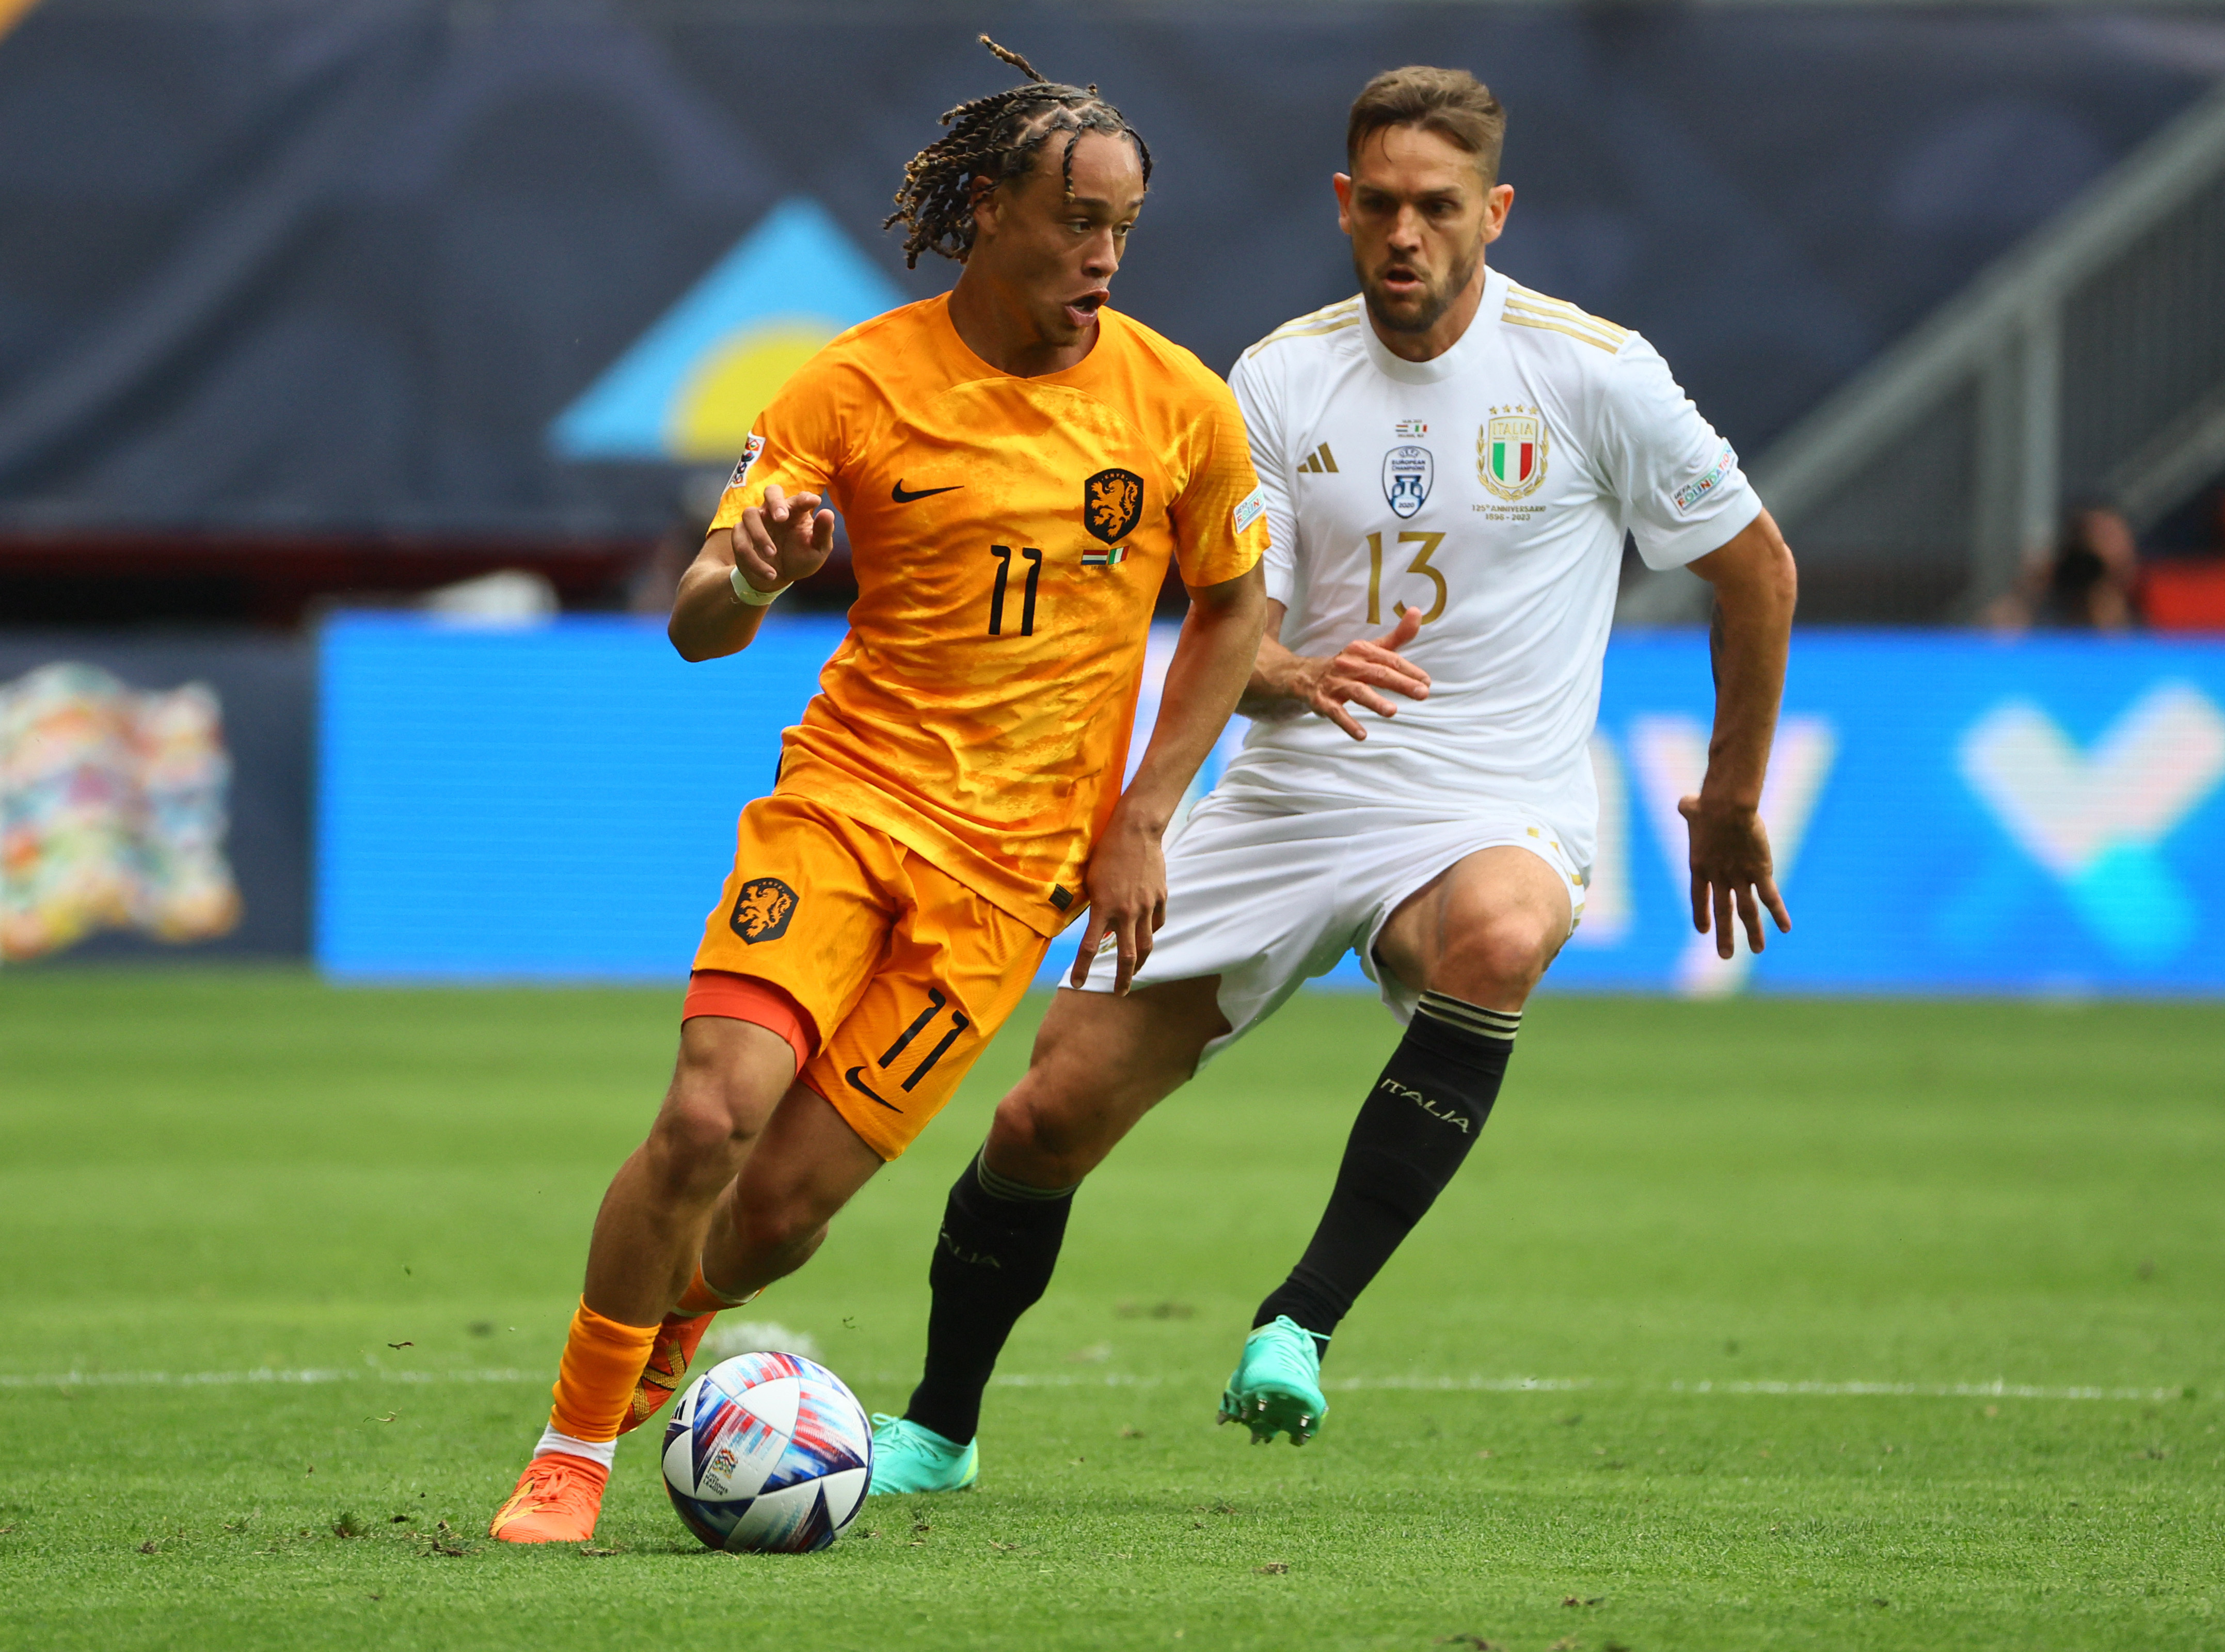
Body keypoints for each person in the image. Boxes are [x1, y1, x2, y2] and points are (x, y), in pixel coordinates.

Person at [862, 63, 1799, 1492]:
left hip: (1492, 797)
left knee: (1494, 934)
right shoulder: (1279, 378)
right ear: (1344, 206)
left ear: (1494, 210)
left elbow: (1757, 569)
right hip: (1290, 798)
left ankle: (1297, 1322)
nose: (1405, 236)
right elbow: (1235, 627)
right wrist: (1277, 690)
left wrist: (1731, 796)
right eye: (1381, 206)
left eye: (1438, 207)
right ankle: (938, 1426)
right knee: (1041, 1118)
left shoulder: (1594, 373)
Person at [488, 38, 1268, 1543]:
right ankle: (570, 1446)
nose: (1104, 256)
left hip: (1009, 879)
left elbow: (1233, 607)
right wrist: (757, 577)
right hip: (846, 806)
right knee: (707, 1118)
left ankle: (679, 1317)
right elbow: (700, 618)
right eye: (1075, 221)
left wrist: (1145, 816)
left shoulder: (1178, 405)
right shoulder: (853, 383)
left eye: (1123, 227)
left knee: (777, 1216)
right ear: (988, 209)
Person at [1979, 502, 2139, 633]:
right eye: (2084, 539)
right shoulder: (2037, 616)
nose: (2094, 549)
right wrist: (2027, 594)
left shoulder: (2151, 607)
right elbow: (1994, 639)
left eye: (2107, 537)